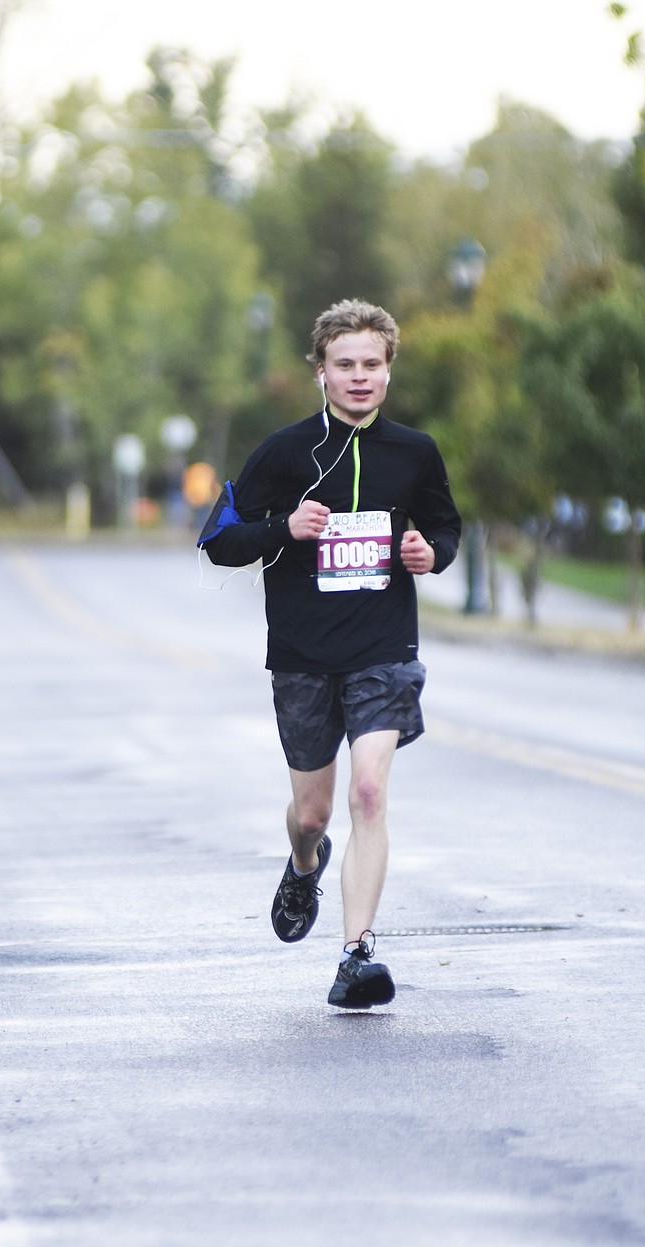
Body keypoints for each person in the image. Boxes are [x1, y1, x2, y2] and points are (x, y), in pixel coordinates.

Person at [198, 298, 461, 1009]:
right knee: (312, 814)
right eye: (344, 365)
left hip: (384, 647)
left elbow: (445, 526)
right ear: (320, 371)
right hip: (303, 654)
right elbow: (218, 539)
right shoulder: (283, 453)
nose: (359, 377)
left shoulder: (415, 451)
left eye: (371, 364)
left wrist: (428, 552)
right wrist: (284, 526)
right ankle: (302, 862)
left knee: (369, 791)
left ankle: (356, 954)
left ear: (388, 370)